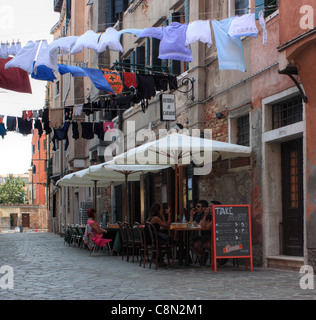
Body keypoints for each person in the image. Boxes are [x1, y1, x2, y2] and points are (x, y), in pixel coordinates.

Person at [189, 200, 210, 265]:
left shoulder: (207, 215)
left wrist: (196, 224)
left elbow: (200, 225)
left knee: (196, 244)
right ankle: (200, 255)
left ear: (203, 208)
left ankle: (203, 255)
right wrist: (191, 216)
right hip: (202, 235)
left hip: (208, 235)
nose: (196, 208)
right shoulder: (200, 214)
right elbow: (192, 224)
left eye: (198, 206)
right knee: (188, 243)